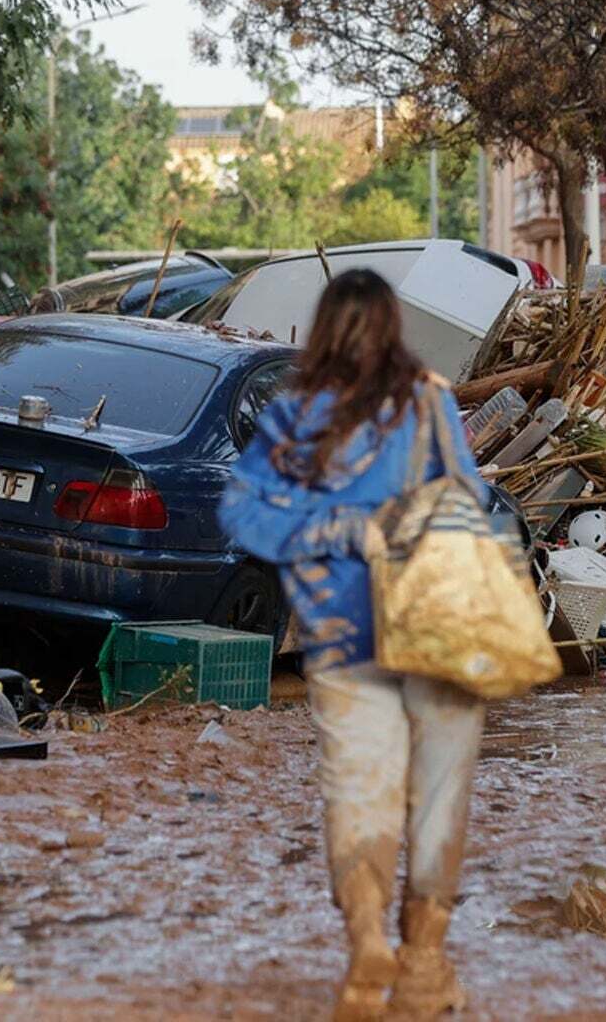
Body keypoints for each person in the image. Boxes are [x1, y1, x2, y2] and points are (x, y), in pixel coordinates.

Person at [220, 269, 490, 1021]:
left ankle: (369, 945)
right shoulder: (431, 401)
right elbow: (469, 499)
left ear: (328, 328)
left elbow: (240, 515)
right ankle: (426, 960)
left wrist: (324, 533)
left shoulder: (294, 418)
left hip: (339, 642)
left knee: (359, 793)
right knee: (437, 798)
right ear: (394, 326)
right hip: (434, 634)